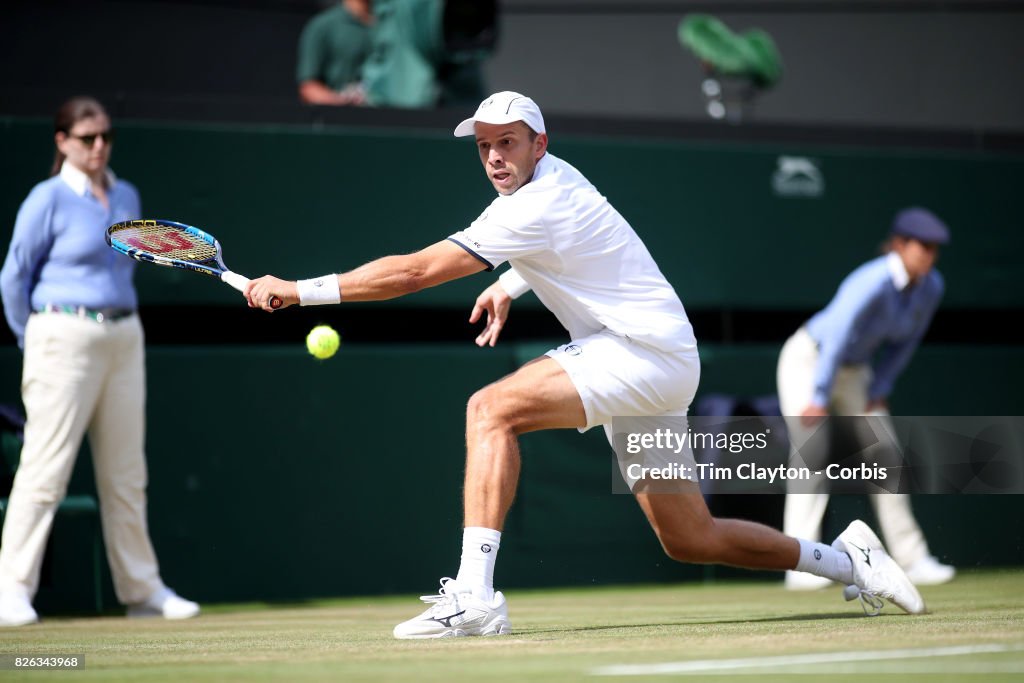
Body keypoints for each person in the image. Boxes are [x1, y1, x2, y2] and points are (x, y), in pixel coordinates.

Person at [244, 91, 927, 638]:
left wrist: (299, 290)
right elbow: (569, 250)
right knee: (691, 536)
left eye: (507, 142)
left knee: (490, 409)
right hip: (660, 358)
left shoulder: (537, 201)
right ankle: (850, 559)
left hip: (640, 353)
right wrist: (510, 283)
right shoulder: (552, 184)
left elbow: (418, 271)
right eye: (483, 146)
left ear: (539, 143)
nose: (493, 157)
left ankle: (476, 596)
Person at [0, 96, 200, 627]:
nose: (99, 147)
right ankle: (10, 591)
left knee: (126, 474)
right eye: (87, 138)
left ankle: (142, 590)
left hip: (123, 336)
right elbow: (13, 277)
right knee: (45, 469)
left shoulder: (126, 193)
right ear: (62, 142)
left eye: (106, 136)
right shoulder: (45, 198)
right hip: (60, 333)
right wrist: (35, 337)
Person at [777, 207, 956, 591]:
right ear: (899, 245)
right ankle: (801, 567)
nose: (928, 254)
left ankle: (913, 558)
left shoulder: (932, 286)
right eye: (922, 245)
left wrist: (879, 390)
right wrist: (820, 394)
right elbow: (839, 333)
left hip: (857, 373)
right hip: (811, 360)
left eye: (934, 248)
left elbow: (905, 344)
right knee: (811, 454)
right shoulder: (872, 280)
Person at [296, 0, 375, 106]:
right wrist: (343, 103)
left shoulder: (391, 25)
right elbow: (309, 87)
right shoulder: (323, 26)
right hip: (343, 116)